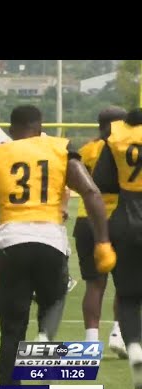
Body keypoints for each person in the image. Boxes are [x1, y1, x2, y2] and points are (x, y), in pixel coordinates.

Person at [0, 105, 114, 389]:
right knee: (52, 306)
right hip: (51, 241)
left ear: (12, 128)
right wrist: (103, 240)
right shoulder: (59, 148)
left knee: (11, 332)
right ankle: (45, 338)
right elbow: (91, 192)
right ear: (40, 126)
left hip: (9, 242)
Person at [92, 107, 142, 389]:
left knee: (128, 295)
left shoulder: (117, 139)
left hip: (126, 218)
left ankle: (134, 347)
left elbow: (104, 182)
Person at [72, 107, 127, 355]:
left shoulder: (87, 150)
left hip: (87, 220)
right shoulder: (126, 148)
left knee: (95, 285)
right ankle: (119, 332)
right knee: (127, 283)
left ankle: (90, 342)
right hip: (119, 218)